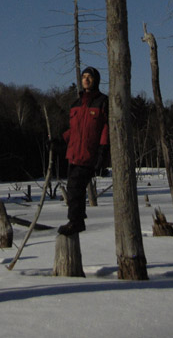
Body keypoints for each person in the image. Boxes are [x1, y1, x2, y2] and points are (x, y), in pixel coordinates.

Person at [58, 66, 109, 236]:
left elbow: (105, 129)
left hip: (89, 154)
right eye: (84, 77)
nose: (86, 80)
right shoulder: (76, 104)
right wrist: (59, 140)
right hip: (73, 154)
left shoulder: (102, 102)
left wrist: (102, 152)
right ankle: (77, 220)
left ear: (96, 80)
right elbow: (74, 131)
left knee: (74, 188)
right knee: (74, 190)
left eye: (90, 77)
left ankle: (76, 222)